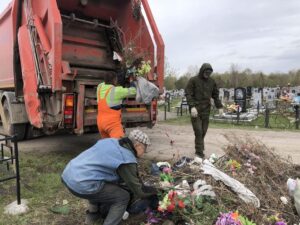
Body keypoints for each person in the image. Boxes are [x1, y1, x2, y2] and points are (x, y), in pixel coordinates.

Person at [61, 129, 157, 225]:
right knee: (123, 197)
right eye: (145, 149)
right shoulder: (127, 159)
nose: (144, 152)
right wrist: (156, 191)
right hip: (81, 184)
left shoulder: (111, 141)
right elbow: (139, 190)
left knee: (102, 185)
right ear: (137, 146)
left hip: (69, 173)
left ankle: (93, 217)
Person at [185, 63, 223, 158]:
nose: (207, 74)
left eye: (209, 72)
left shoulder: (212, 82)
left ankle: (200, 147)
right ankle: (199, 152)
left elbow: (215, 95)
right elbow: (188, 93)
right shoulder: (193, 80)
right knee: (198, 131)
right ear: (202, 70)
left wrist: (220, 107)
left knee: (204, 131)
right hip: (196, 110)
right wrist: (192, 106)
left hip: (206, 110)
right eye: (206, 72)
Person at [97, 72, 136, 138]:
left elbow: (104, 83)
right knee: (118, 145)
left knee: (107, 145)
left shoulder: (99, 88)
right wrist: (132, 81)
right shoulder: (117, 90)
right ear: (115, 80)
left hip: (100, 123)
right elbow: (133, 91)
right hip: (112, 124)